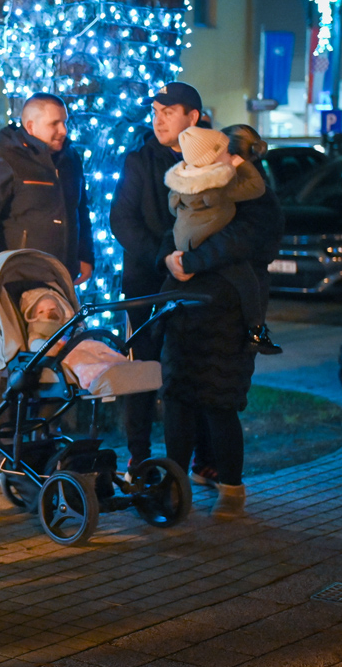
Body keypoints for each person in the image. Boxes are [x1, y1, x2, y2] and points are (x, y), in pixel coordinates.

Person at [156, 123, 284, 518]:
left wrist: (191, 262)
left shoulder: (256, 198)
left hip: (227, 310)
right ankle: (175, 482)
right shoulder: (199, 187)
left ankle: (231, 488)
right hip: (184, 307)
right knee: (178, 397)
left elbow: (240, 241)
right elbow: (177, 229)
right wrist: (170, 259)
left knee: (219, 399)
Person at [109, 81, 202, 472]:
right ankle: (139, 454)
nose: (158, 120)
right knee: (142, 371)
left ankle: (198, 457)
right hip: (145, 283)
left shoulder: (210, 157)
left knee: (192, 371)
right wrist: (162, 257)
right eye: (155, 112)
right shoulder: (140, 159)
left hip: (195, 281)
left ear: (192, 117)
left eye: (168, 112)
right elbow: (122, 220)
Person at [0, 92, 94, 287]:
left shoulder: (70, 159)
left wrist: (84, 255)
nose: (63, 130)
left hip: (63, 277)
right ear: (31, 126)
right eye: (54, 124)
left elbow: (79, 210)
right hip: (19, 280)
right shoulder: (4, 161)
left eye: (65, 122)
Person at [167, 126, 281, 354]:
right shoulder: (222, 186)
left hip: (222, 311)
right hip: (217, 304)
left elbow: (237, 240)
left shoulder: (196, 183)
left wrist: (181, 260)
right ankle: (257, 331)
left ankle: (255, 331)